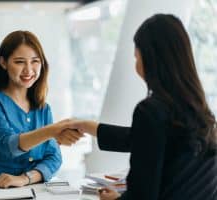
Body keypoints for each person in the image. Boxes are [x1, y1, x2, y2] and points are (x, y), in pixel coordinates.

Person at [66, 14, 217, 200]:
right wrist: (89, 127)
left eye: (137, 57)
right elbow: (147, 139)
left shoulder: (151, 110)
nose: (136, 64)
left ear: (150, 58)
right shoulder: (200, 110)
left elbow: (142, 195)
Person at [0, 30, 82, 188]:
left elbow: (53, 157)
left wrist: (26, 178)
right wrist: (52, 131)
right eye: (19, 62)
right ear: (3, 63)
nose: (29, 70)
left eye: (35, 61)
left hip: (34, 189)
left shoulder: (43, 108)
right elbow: (8, 146)